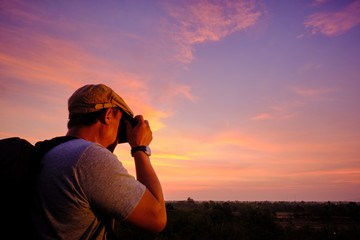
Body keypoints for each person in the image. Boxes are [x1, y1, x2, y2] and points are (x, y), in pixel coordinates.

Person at [31, 84, 167, 239]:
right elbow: (156, 219)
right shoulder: (88, 158)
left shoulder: (48, 151)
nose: (118, 140)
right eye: (122, 126)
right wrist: (140, 148)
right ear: (108, 115)